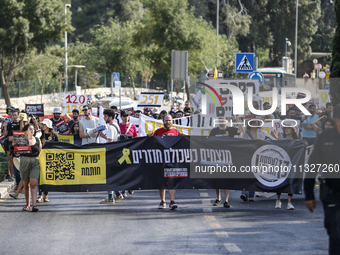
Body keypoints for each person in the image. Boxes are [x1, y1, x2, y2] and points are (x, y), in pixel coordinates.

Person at [304, 104, 340, 254]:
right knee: (335, 234)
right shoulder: (324, 137)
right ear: (337, 120)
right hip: (332, 193)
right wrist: (309, 195)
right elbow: (312, 166)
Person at [209, 117, 244, 208]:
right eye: (220, 120)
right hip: (217, 157)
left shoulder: (231, 129)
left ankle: (226, 200)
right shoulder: (214, 131)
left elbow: (241, 130)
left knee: (227, 178)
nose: (221, 121)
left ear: (226, 121)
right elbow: (208, 142)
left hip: (228, 157)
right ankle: (218, 198)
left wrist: (236, 120)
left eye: (223, 119)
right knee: (217, 178)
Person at [153, 114, 183, 210]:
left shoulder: (176, 132)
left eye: (169, 120)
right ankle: (163, 201)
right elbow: (152, 144)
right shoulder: (158, 132)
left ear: (172, 122)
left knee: (171, 180)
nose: (168, 122)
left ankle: (172, 201)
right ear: (163, 121)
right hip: (160, 160)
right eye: (166, 120)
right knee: (161, 181)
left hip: (172, 160)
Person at [241, 120, 275, 202]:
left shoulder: (262, 133)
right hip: (248, 156)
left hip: (259, 157)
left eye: (256, 124)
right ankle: (245, 193)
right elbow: (242, 144)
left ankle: (251, 195)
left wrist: (262, 141)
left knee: (254, 176)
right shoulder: (246, 133)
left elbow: (271, 140)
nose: (254, 125)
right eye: (252, 123)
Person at [18, 123, 42, 212]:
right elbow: (17, 153)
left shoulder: (37, 140)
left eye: (33, 129)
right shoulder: (22, 140)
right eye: (30, 129)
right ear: (26, 131)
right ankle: (27, 204)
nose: (32, 130)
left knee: (33, 183)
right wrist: (16, 146)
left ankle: (34, 205)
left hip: (35, 162)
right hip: (24, 161)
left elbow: (41, 153)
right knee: (26, 184)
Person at [100, 108, 121, 204]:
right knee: (113, 175)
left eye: (105, 116)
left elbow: (110, 142)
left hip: (112, 155)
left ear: (110, 117)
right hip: (116, 154)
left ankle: (111, 197)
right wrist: (104, 136)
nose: (104, 118)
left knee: (109, 176)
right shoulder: (115, 125)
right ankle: (117, 193)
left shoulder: (111, 127)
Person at [276, 125, 299, 210]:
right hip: (282, 162)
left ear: (292, 130)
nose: (286, 129)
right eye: (285, 128)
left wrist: (304, 144)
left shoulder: (297, 140)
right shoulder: (281, 138)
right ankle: (278, 200)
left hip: (292, 163)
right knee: (279, 181)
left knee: (290, 182)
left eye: (288, 128)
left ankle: (289, 202)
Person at [37, 119, 59, 203]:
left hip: (50, 159)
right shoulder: (40, 135)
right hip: (40, 158)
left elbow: (59, 147)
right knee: (40, 177)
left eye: (44, 124)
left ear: (48, 126)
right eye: (42, 124)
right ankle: (40, 196)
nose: (42, 126)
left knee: (47, 177)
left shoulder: (54, 135)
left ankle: (46, 196)